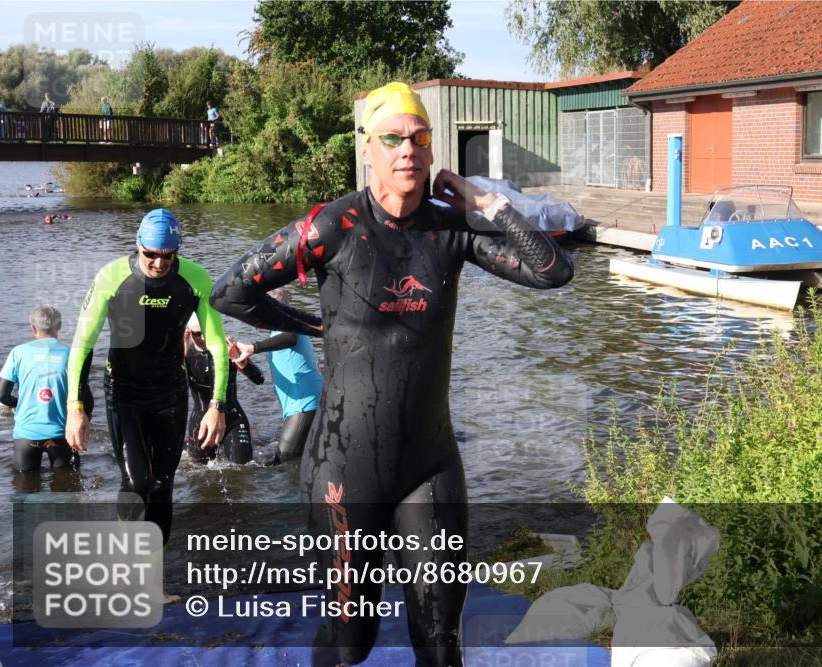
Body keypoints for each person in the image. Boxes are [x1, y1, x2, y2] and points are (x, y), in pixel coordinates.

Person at [211, 81, 573, 665]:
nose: (408, 149)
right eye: (393, 138)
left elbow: (554, 271)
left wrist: (488, 204)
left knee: (439, 641)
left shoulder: (450, 228)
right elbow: (232, 290)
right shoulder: (331, 228)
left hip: (429, 465)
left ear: (431, 153)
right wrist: (310, 322)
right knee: (353, 641)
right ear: (369, 151)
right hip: (343, 466)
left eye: (419, 137)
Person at [65, 208, 228, 548]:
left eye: (166, 256)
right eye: (149, 254)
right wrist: (75, 407)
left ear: (177, 251)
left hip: (170, 390)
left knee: (162, 486)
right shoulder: (112, 277)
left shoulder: (195, 279)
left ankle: (152, 580)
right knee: (138, 482)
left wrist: (217, 405)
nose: (157, 263)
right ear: (138, 246)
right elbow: (82, 346)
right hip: (124, 392)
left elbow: (216, 343)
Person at [227, 288, 322, 464]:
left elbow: (291, 338)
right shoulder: (279, 332)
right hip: (302, 404)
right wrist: (239, 360)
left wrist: (253, 347)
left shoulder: (290, 329)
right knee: (299, 458)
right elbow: (261, 378)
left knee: (283, 461)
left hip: (304, 405)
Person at [0, 305, 92, 472]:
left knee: (24, 488)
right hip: (63, 434)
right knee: (66, 488)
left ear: (33, 327)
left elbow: (2, 395)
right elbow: (86, 398)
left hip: (26, 435)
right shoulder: (72, 355)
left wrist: (19, 403)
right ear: (60, 325)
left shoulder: (18, 353)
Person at [185, 313, 264, 465]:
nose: (202, 338)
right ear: (189, 332)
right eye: (197, 334)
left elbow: (259, 379)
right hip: (200, 420)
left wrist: (239, 359)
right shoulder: (186, 353)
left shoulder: (226, 348)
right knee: (196, 470)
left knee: (243, 468)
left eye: (206, 332)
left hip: (232, 417)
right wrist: (178, 360)